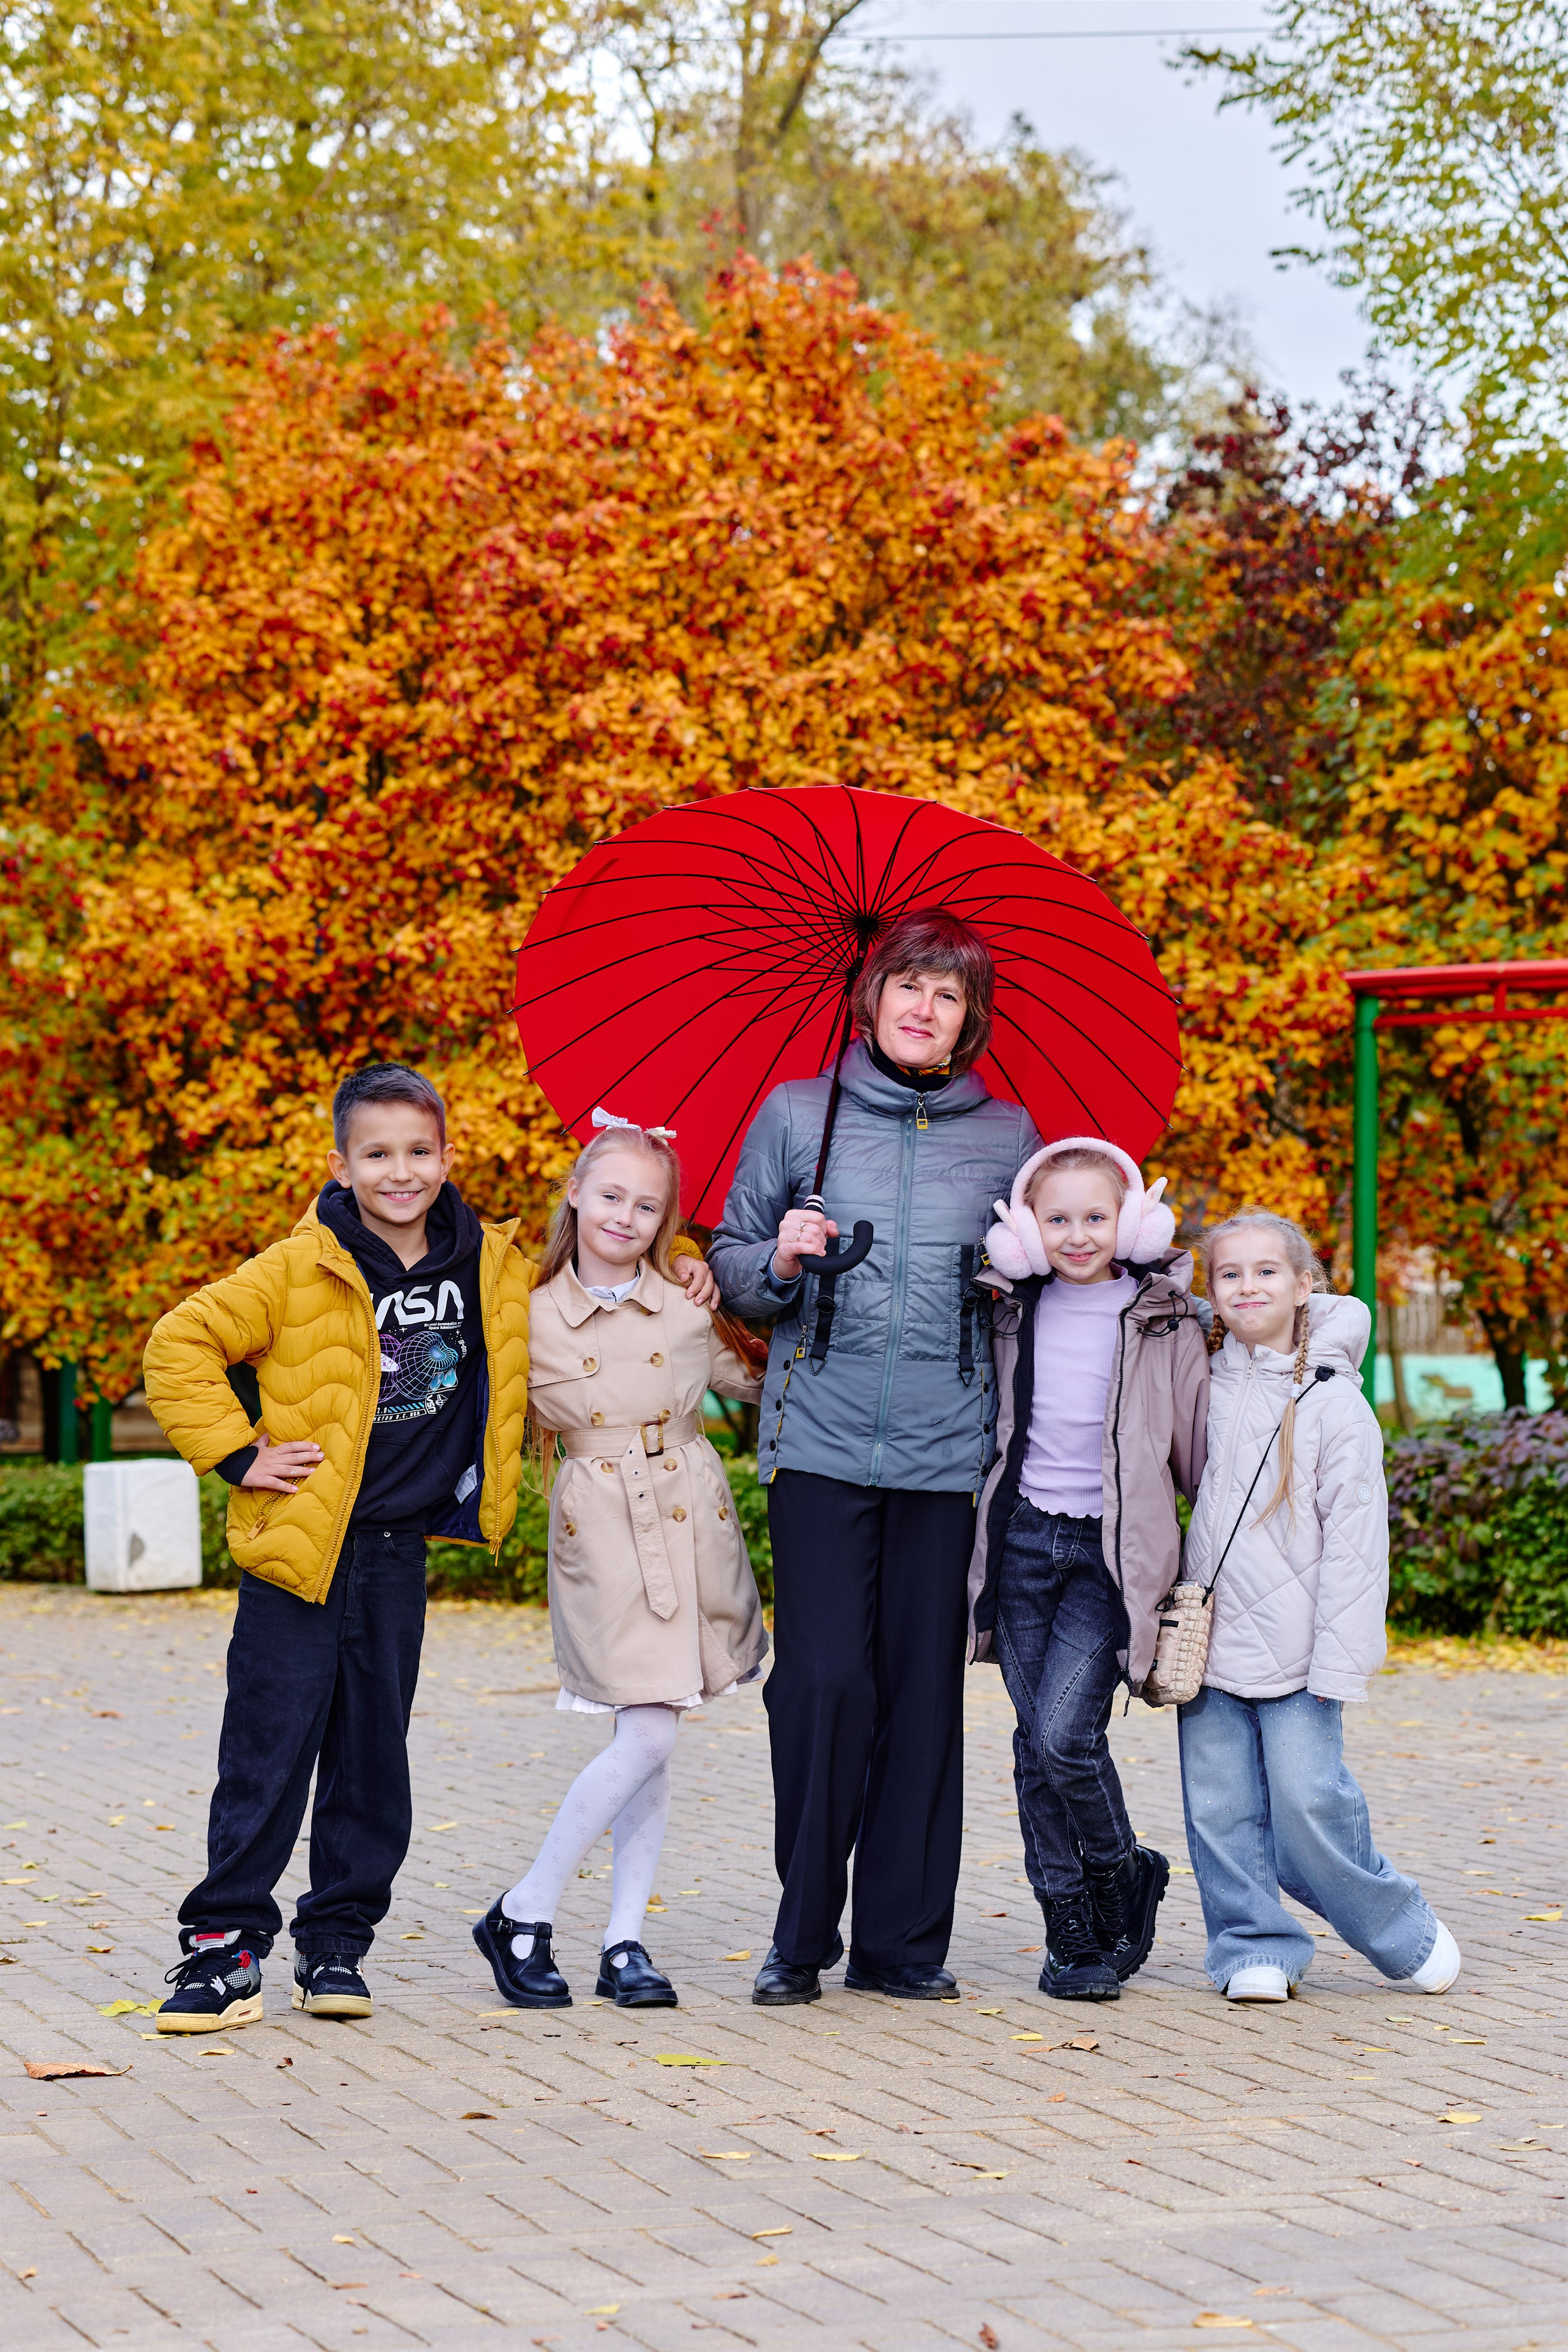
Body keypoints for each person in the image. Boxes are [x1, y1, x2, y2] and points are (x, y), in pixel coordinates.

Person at [141, 1064, 717, 2034]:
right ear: (343, 1163)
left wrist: (688, 1256)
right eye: (378, 1154)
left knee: (373, 1758)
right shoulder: (297, 1266)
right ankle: (225, 1946)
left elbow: (604, 1272)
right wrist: (239, 1454)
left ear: (448, 1157)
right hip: (300, 1552)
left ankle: (336, 1945)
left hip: (398, 1553)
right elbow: (178, 1345)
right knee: (268, 1752)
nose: (400, 1172)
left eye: (419, 1152)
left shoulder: (491, 1263)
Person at [709, 909, 1040, 2005]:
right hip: (821, 1439)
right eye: (906, 985)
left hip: (949, 1455)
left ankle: (902, 1945)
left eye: (947, 995)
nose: (922, 1007)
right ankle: (800, 1936)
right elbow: (735, 1266)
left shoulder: (1010, 1136)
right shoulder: (800, 1114)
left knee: (920, 1695)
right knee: (822, 1684)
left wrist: (1013, 1283)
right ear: (869, 999)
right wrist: (781, 1258)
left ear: (969, 1019)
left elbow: (1042, 1282)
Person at [472, 1116, 766, 2011]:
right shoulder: (524, 1313)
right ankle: (523, 1910)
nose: (625, 1217)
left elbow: (756, 1376)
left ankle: (624, 1940)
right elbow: (485, 1413)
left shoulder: (684, 1302)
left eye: (647, 1206)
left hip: (688, 1516)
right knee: (646, 1731)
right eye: (610, 1195)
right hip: (600, 1527)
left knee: (653, 1733)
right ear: (573, 1193)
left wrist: (742, 1291)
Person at [1178, 1208, 1461, 2003]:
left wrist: (1342, 1659)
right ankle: (1253, 1948)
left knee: (1310, 1801)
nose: (1246, 1286)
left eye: (1266, 1271)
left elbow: (1358, 1545)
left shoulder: (1336, 1404)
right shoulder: (1200, 1382)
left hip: (1303, 1650)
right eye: (1228, 1274)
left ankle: (1398, 1928)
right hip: (1206, 1640)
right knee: (1221, 1810)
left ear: (1306, 1285)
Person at [970, 1139, 1209, 2001]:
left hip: (1113, 1555)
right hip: (1025, 1544)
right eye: (1056, 1219)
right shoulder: (1004, 1310)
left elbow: (1198, 1452)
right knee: (1036, 1748)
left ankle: (1117, 1873)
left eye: (1096, 1217)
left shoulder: (1167, 1317)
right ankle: (1069, 1929)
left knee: (1067, 1737)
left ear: (1133, 1221)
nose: (1077, 1235)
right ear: (1024, 1232)